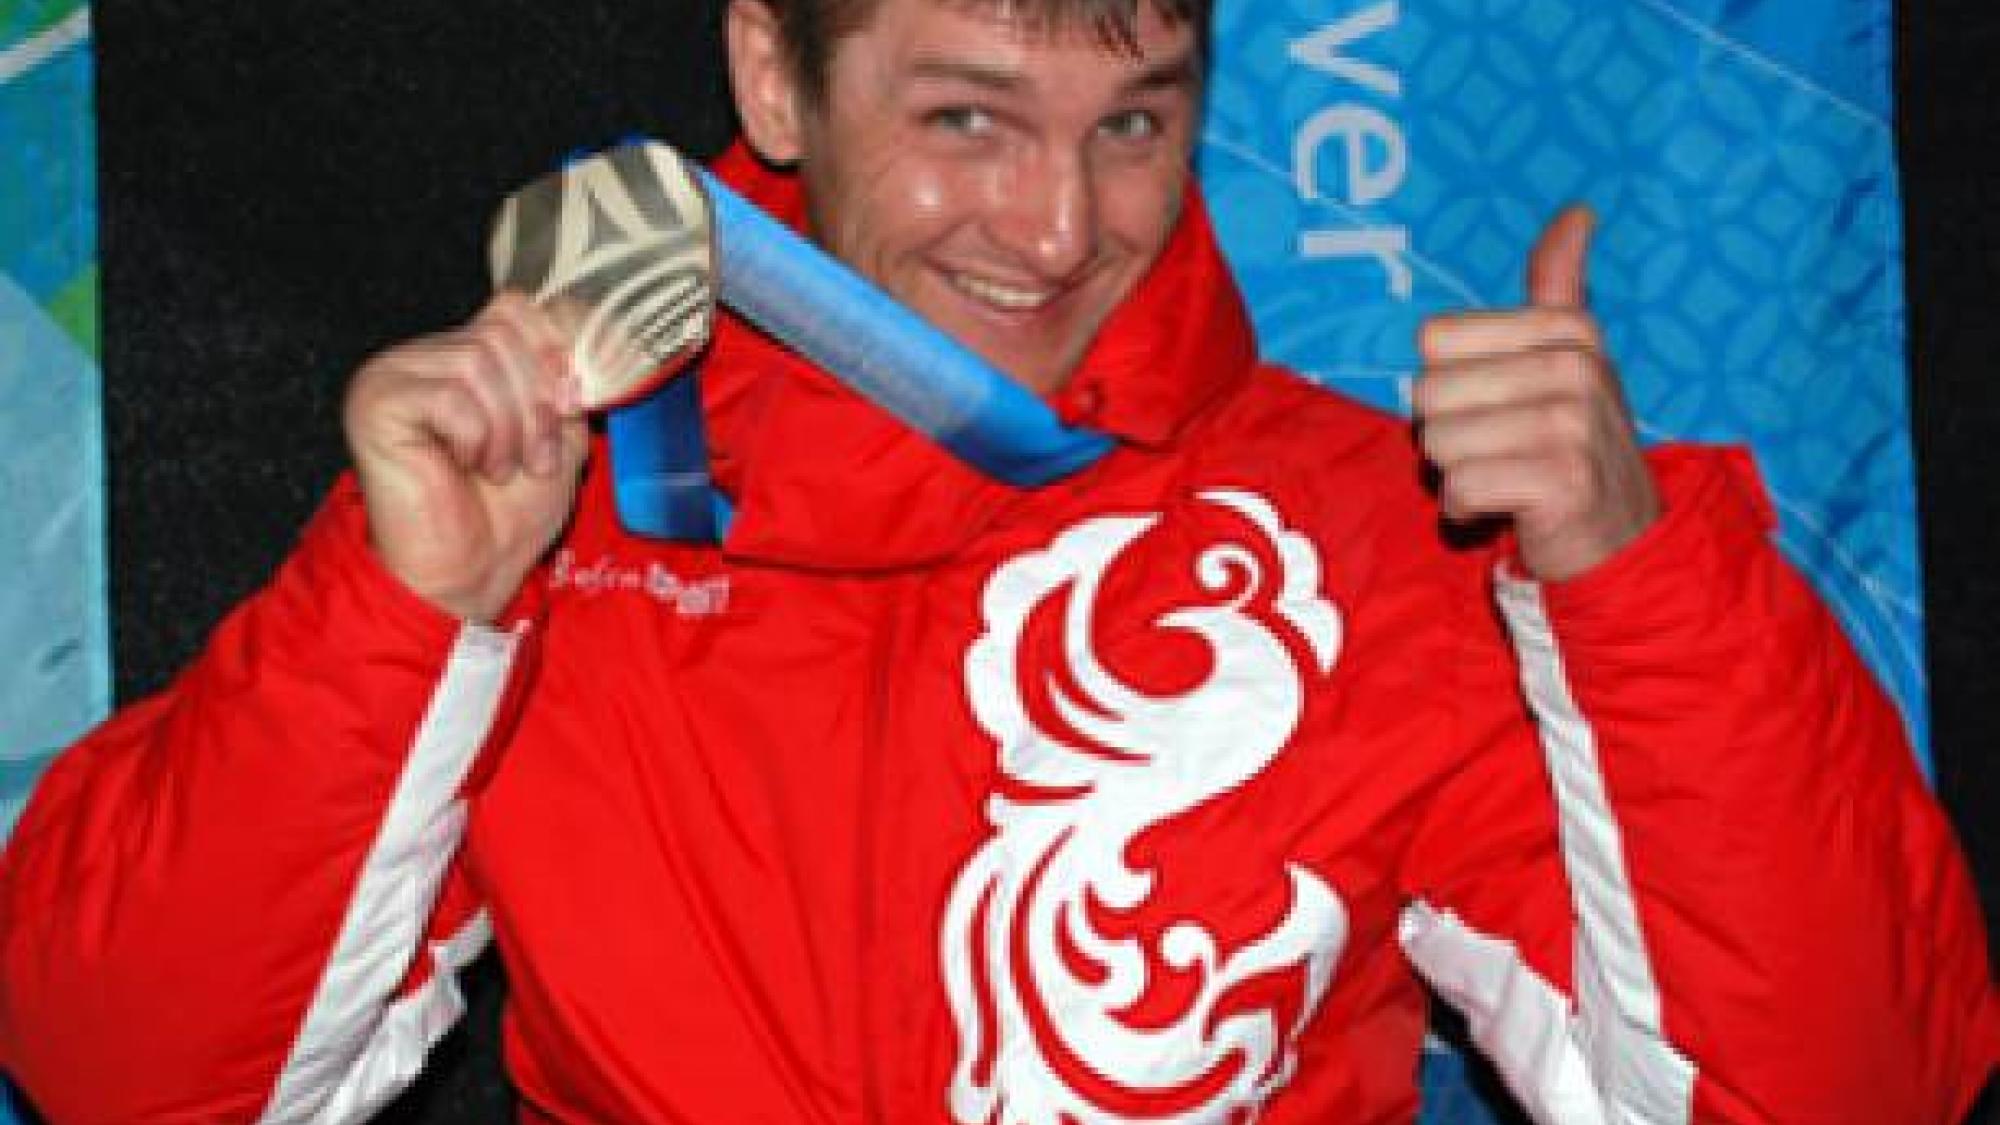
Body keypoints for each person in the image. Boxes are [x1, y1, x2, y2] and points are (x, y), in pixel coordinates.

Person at [2, 0, 1994, 1120]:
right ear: (771, 77)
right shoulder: (558, 508)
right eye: (966, 116)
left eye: (1133, 124)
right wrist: (392, 603)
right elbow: (132, 1081)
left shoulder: (1373, 531)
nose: (1055, 231)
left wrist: (1633, 584)